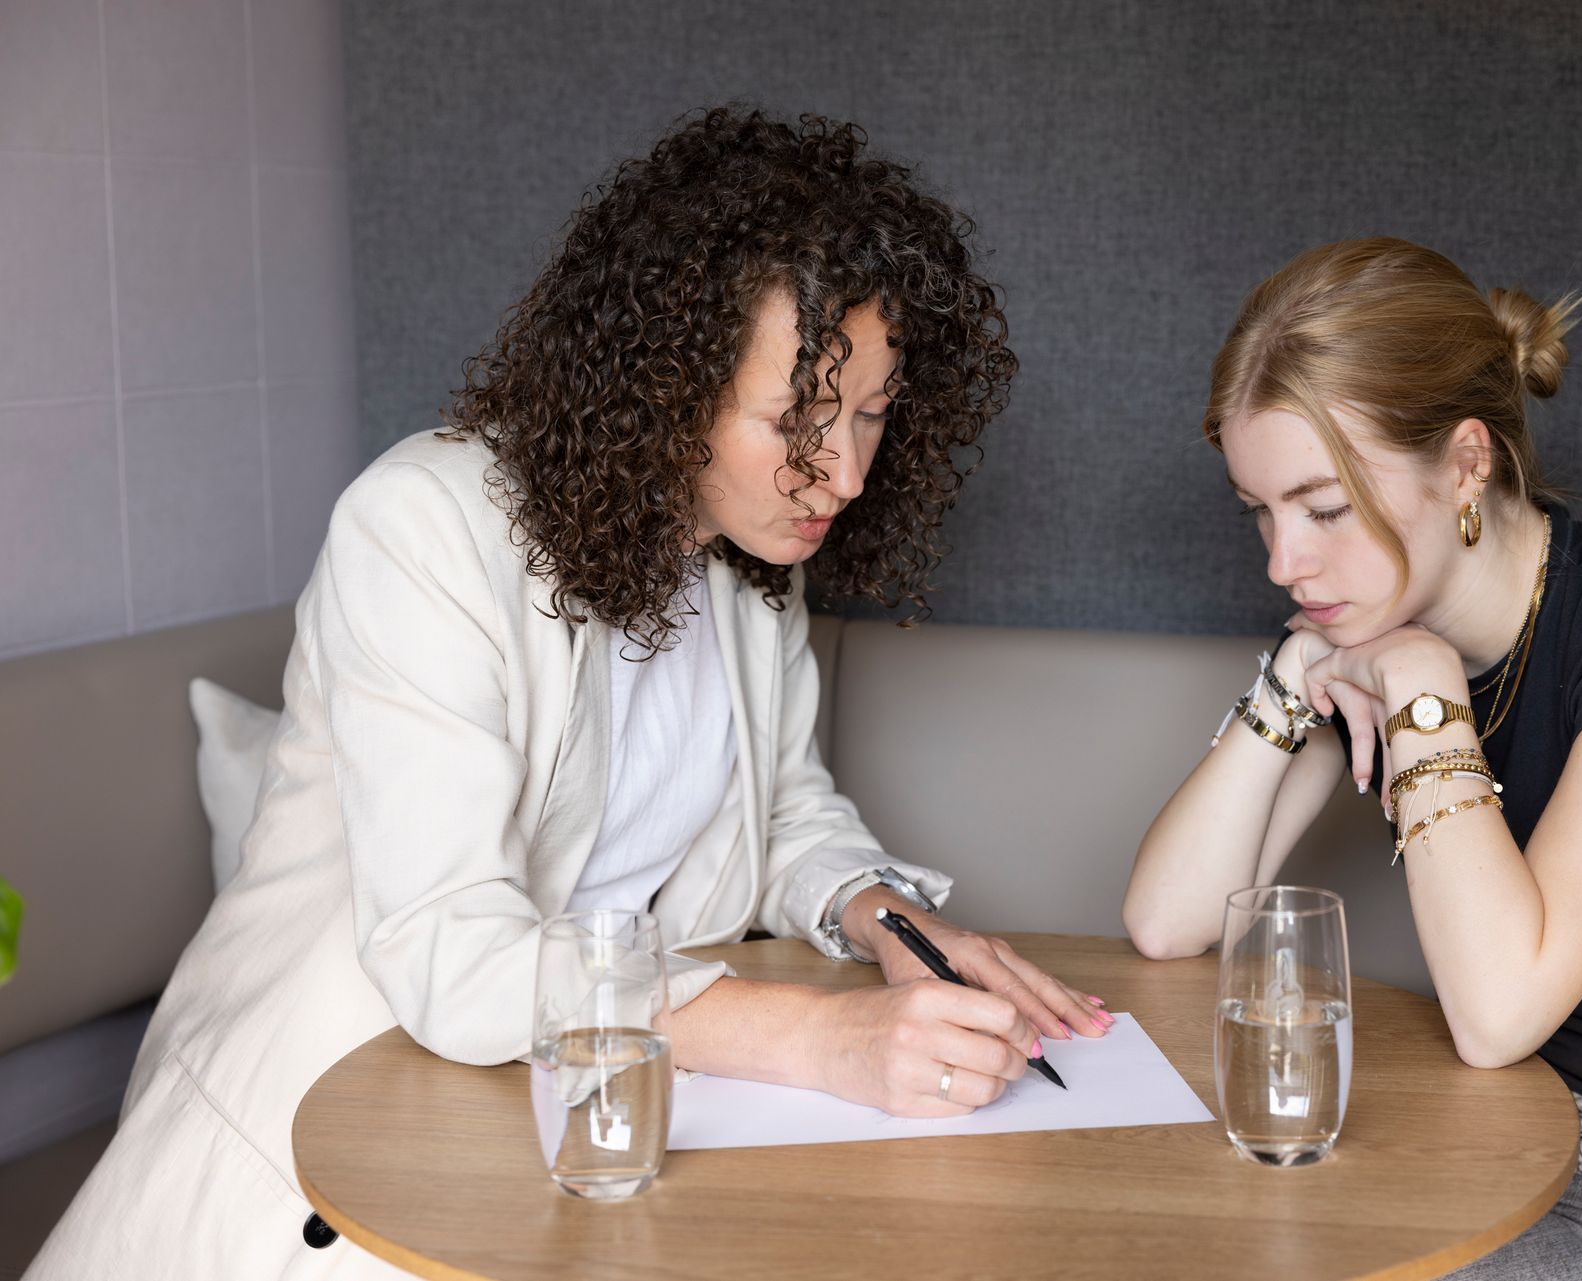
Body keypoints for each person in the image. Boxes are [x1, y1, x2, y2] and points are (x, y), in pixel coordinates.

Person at [30, 108, 1112, 1281]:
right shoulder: (424, 528)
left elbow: (790, 813)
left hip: (590, 1101)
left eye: (871, 412)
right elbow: (453, 951)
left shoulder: (750, 565)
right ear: (668, 384)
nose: (845, 474)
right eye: (798, 421)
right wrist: (824, 1037)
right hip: (341, 1124)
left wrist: (891, 925)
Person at [1124, 238, 1582, 1279]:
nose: (1282, 561)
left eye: (1326, 508)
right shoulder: (1363, 627)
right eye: (1260, 511)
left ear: (1468, 463)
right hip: (1465, 1133)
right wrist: (1293, 669)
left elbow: (1495, 1017)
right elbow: (1168, 922)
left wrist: (1427, 686)